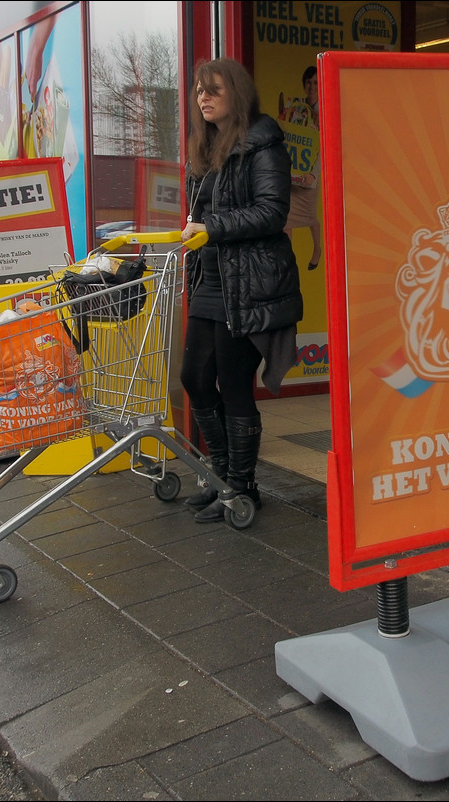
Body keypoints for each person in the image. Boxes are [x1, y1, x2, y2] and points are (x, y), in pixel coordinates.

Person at [180, 58, 303, 524]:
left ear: (237, 94)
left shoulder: (262, 142)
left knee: (233, 385)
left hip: (249, 284)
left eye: (213, 90)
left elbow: (272, 212)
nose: (203, 98)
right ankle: (220, 477)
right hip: (211, 281)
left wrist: (212, 227)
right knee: (194, 378)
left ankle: (240, 487)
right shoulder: (204, 147)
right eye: (198, 91)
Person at [279, 65, 322, 270]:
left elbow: (325, 148)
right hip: (295, 169)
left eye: (315, 82)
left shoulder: (325, 110)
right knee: (288, 217)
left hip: (311, 171)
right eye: (309, 82)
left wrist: (314, 175)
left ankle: (317, 249)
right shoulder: (297, 108)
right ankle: (288, 257)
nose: (312, 86)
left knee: (310, 215)